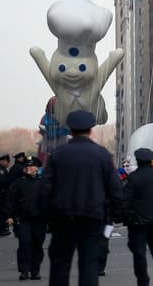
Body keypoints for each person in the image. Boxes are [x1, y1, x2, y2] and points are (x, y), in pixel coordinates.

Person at [41, 109, 122, 286]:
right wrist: (113, 215)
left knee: (60, 265)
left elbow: (45, 189)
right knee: (89, 265)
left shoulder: (58, 155)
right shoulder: (102, 155)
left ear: (70, 130)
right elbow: (115, 189)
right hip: (92, 218)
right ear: (90, 129)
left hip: (62, 218)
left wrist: (48, 218)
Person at [122, 149, 153, 286]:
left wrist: (125, 217)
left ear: (138, 161)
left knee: (139, 254)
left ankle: (143, 282)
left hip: (139, 222)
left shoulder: (133, 178)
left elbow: (125, 200)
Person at [8, 157, 47, 280]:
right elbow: (11, 200)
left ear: (37, 168)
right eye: (27, 166)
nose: (29, 168)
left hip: (39, 220)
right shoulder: (19, 183)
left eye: (32, 166)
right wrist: (9, 215)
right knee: (24, 244)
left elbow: (49, 201)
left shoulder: (43, 183)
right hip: (23, 219)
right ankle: (24, 271)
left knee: (37, 245)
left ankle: (35, 271)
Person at [0, 154, 14, 235]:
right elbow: (3, 181)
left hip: (2, 194)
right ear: (3, 161)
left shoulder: (2, 169)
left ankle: (1, 229)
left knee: (1, 213)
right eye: (7, 162)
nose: (8, 164)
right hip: (0, 194)